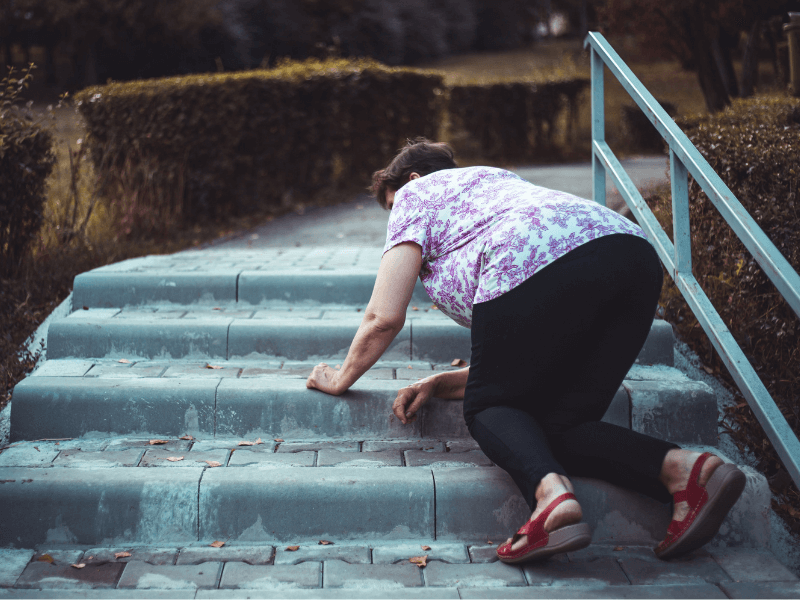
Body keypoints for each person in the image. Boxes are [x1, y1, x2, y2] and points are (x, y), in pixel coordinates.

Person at [306, 138, 746, 563]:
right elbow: (528, 355)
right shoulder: (493, 186)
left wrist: (341, 376)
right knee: (560, 424)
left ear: (413, 178)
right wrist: (442, 381)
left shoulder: (416, 193)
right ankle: (689, 472)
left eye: (390, 207)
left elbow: (384, 316)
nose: (394, 224)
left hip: (537, 262)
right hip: (629, 256)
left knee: (489, 407)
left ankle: (551, 501)